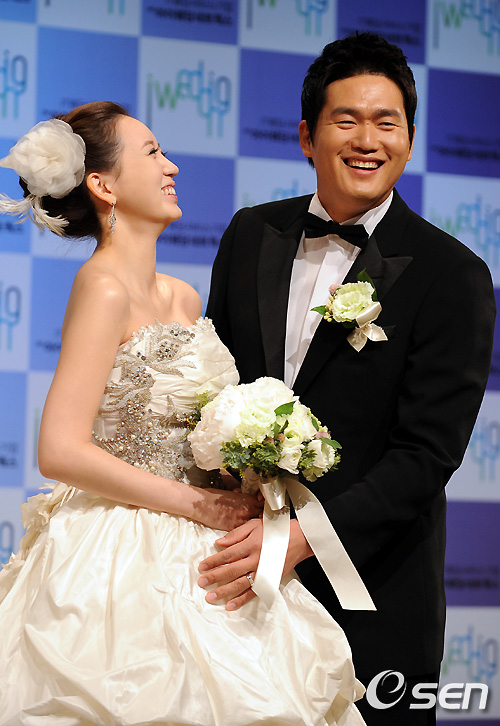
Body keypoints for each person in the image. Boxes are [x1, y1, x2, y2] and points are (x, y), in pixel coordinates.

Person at [0, 101, 369, 725]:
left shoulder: (183, 295)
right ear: (103, 185)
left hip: (211, 533)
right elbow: (59, 450)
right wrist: (195, 504)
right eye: (152, 153)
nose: (171, 166)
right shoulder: (103, 287)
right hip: (125, 546)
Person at [203, 32, 496, 725]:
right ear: (308, 136)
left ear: (410, 140)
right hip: (235, 581)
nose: (367, 140)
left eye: (386, 123)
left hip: (372, 594)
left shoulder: (452, 274)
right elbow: (216, 388)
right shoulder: (250, 234)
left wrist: (302, 538)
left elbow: (427, 454)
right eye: (347, 120)